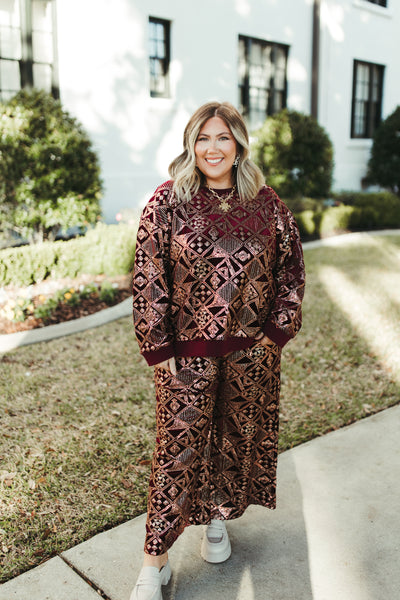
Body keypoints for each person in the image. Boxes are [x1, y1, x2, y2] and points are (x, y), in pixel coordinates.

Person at [130, 101, 305, 600]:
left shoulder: (267, 203)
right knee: (177, 454)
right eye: (203, 138)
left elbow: (292, 270)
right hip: (186, 354)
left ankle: (216, 520)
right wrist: (159, 348)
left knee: (233, 444)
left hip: (250, 352)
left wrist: (275, 335)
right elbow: (148, 277)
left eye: (222, 138)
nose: (213, 148)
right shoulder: (168, 201)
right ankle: (154, 561)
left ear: (239, 145)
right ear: (191, 144)